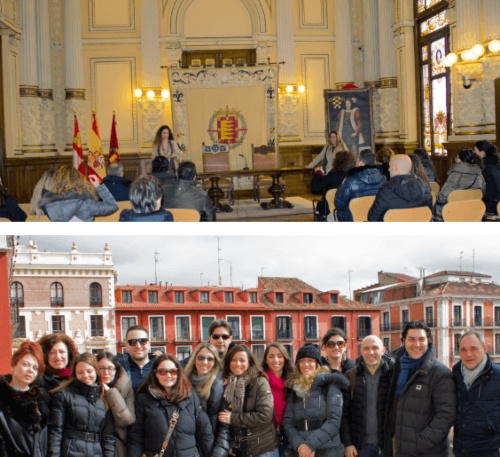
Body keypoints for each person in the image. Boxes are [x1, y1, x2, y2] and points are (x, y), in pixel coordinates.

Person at [384, 321, 456, 457]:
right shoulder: (397, 368)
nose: (417, 344)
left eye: (421, 339)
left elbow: (446, 415)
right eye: (411, 339)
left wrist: (421, 443)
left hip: (428, 451)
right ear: (403, 341)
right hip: (399, 449)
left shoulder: (440, 373)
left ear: (428, 341)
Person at [127, 353, 214, 457]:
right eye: (162, 371)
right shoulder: (144, 399)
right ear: (156, 373)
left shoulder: (191, 396)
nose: (168, 375)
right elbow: (136, 437)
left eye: (172, 371)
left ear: (178, 373)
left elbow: (204, 432)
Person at [282, 343, 348, 457]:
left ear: (317, 364)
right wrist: (300, 445)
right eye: (302, 361)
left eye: (310, 360)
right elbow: (288, 422)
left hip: (328, 450)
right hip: (300, 451)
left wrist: (310, 446)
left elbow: (334, 421)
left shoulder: (329, 385)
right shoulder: (295, 389)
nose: (306, 364)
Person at [48, 352, 115, 457]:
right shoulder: (63, 395)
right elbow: (56, 432)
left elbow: (108, 437)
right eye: (80, 372)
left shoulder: (103, 397)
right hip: (70, 451)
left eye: (89, 371)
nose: (85, 375)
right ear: (75, 374)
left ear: (96, 372)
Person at [217, 344, 278, 457]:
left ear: (249, 362)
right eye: (233, 360)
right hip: (240, 449)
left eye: (242, 360)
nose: (237, 364)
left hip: (263, 450)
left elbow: (265, 415)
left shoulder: (259, 382)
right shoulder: (229, 384)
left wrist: (233, 418)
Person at [341, 335, 394, 457]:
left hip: (386, 447)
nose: (371, 352)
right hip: (359, 448)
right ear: (361, 351)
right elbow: (344, 413)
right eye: (366, 348)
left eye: (375, 348)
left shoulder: (392, 376)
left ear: (383, 350)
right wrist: (347, 443)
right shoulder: (351, 376)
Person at [452, 331, 500, 457]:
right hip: (460, 451)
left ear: (484, 349)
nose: (468, 354)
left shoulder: (498, 376)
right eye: (463, 350)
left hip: (490, 451)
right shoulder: (454, 376)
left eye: (473, 348)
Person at [0, 341, 49, 457]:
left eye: (35, 367)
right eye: (25, 364)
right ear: (13, 365)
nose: (30, 370)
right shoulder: (2, 397)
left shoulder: (41, 401)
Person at [38, 165, 118, 221]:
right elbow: (113, 206)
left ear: (57, 182)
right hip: (84, 243)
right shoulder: (86, 204)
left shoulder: (50, 206)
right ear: (78, 180)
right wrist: (98, 186)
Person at [367, 154, 433, 221]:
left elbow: (372, 218)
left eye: (389, 166)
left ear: (395, 168)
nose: (389, 169)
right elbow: (428, 214)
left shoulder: (386, 190)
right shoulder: (425, 188)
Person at [96, 352, 135, 457]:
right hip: (95, 446)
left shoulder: (126, 387)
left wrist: (110, 392)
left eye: (110, 368)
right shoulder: (90, 388)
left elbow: (126, 420)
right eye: (101, 368)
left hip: (118, 446)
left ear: (116, 370)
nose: (106, 373)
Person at [433, 148, 485, 221]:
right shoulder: (479, 175)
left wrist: (435, 198)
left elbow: (443, 196)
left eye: (457, 157)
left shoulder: (455, 175)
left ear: (462, 160)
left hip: (451, 213)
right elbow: (482, 193)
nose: (455, 159)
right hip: (472, 213)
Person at [334, 150, 386, 222]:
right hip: (375, 220)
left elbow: (338, 203)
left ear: (361, 163)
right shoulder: (383, 179)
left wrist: (342, 185)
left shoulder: (350, 180)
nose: (356, 164)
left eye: (357, 161)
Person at [262, 343, 294, 457]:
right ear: (266, 360)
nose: (276, 360)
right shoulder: (260, 380)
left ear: (285, 358)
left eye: (280, 356)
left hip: (288, 437)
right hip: (266, 439)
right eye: (271, 356)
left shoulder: (293, 381)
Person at [116, 325, 157, 392]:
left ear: (149, 344)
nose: (138, 346)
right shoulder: (117, 367)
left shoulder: (159, 367)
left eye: (143, 341)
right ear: (126, 346)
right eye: (132, 342)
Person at [474, 140, 500, 214]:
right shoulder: (496, 163)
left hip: (489, 204)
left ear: (482, 153)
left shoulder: (483, 166)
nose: (474, 153)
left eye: (475, 150)